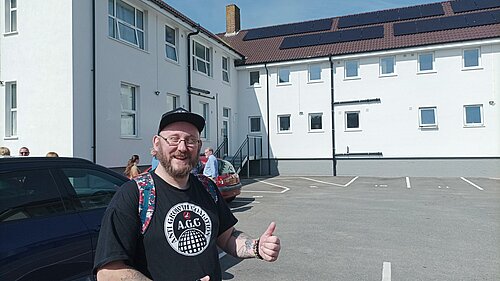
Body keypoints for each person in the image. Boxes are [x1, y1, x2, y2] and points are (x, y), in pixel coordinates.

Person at [94, 108, 280, 281]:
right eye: (174, 139)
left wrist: (256, 247)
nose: (182, 148)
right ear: (157, 143)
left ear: (198, 146)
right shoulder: (134, 194)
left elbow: (227, 237)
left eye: (191, 140)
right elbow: (108, 271)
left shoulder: (207, 188)